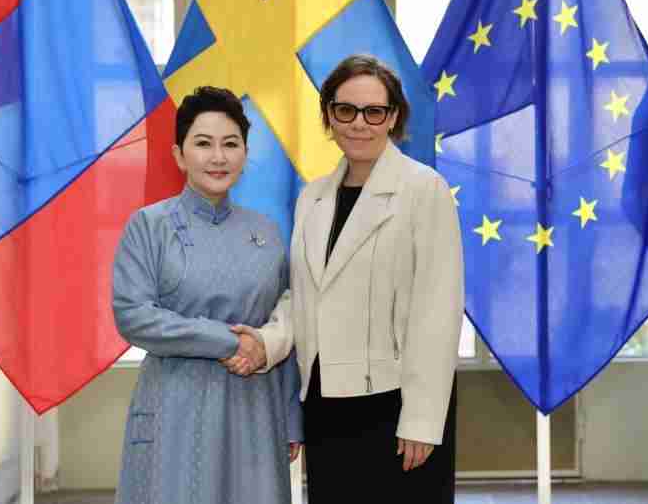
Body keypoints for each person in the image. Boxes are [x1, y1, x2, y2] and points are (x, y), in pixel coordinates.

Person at [230, 55, 464, 502]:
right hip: (326, 402)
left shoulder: (424, 189)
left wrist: (421, 419)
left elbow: (438, 311)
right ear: (329, 115)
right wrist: (264, 343)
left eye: (374, 111)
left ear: (393, 117)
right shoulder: (313, 197)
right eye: (346, 110)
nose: (359, 123)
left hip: (398, 404)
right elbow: (302, 298)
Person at [112, 86, 302, 504]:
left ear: (245, 154)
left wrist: (291, 416)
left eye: (230, 144)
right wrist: (229, 342)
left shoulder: (267, 232)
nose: (218, 157)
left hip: (256, 411)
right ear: (179, 155)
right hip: (174, 410)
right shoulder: (148, 227)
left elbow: (285, 322)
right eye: (203, 144)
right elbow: (133, 315)